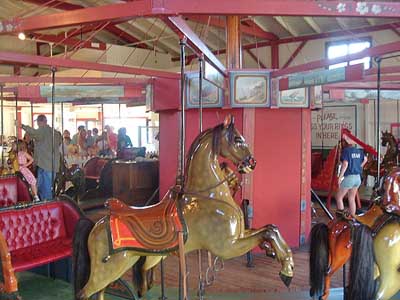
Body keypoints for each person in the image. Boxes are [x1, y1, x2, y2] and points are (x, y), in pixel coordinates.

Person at [21, 114, 62, 201]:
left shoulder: (43, 130)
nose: (38, 126)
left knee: (44, 190)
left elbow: (35, 133)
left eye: (38, 123)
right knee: (45, 188)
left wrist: (22, 126)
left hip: (45, 164)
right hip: (52, 164)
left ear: (40, 122)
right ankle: (46, 206)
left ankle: (47, 209)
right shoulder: (54, 132)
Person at [336, 133, 368, 218]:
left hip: (349, 177)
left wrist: (340, 177)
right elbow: (365, 159)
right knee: (351, 198)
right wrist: (359, 166)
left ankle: (341, 218)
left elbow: (345, 164)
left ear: (345, 142)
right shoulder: (359, 151)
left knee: (339, 197)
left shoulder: (346, 151)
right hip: (357, 177)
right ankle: (353, 217)